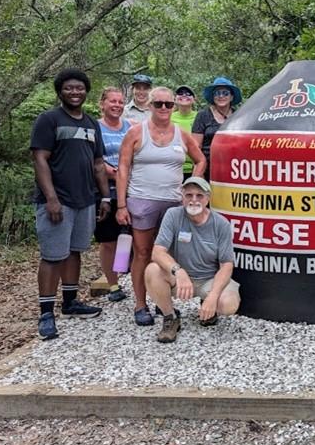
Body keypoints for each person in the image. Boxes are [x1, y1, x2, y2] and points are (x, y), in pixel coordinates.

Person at [30, 68, 110, 340]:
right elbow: (40, 159)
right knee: (53, 256)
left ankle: (70, 302)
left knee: (75, 251)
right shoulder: (49, 119)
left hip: (85, 199)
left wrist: (104, 197)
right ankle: (46, 313)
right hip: (58, 201)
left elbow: (98, 163)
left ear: (86, 91)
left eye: (79, 88)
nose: (75, 92)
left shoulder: (91, 124)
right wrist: (51, 198)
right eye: (69, 88)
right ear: (60, 92)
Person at [117, 87, 206, 326]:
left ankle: (162, 300)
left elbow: (200, 160)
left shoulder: (181, 134)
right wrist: (121, 205)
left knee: (167, 254)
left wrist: (191, 186)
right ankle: (140, 304)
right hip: (142, 200)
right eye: (159, 104)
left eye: (168, 104)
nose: (164, 108)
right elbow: (123, 167)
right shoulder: (136, 132)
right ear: (150, 106)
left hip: (173, 203)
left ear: (174, 106)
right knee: (142, 252)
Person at [145, 177, 240, 343]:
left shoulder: (221, 224)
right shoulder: (173, 215)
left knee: (229, 304)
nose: (194, 200)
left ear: (208, 199)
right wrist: (178, 271)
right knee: (152, 270)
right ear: (182, 197)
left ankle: (208, 307)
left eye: (199, 195)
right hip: (179, 279)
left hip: (208, 279)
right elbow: (157, 252)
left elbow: (226, 265)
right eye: (189, 195)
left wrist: (213, 296)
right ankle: (170, 317)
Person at [94, 87, 131, 302]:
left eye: (120, 102)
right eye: (112, 101)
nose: (117, 105)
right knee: (108, 240)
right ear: (102, 104)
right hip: (106, 192)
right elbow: (96, 160)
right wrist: (118, 175)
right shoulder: (95, 128)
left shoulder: (130, 127)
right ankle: (113, 284)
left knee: (126, 236)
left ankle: (122, 272)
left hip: (130, 190)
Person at [192, 77, 242, 178]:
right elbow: (195, 147)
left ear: (231, 97)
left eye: (225, 93)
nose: (221, 96)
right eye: (217, 93)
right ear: (213, 97)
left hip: (233, 169)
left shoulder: (238, 115)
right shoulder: (203, 115)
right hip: (207, 169)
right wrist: (198, 172)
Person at [171, 85, 198, 180]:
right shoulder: (168, 117)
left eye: (188, 94)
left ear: (194, 99)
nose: (184, 95)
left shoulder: (200, 117)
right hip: (172, 168)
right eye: (180, 93)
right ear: (175, 99)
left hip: (194, 168)